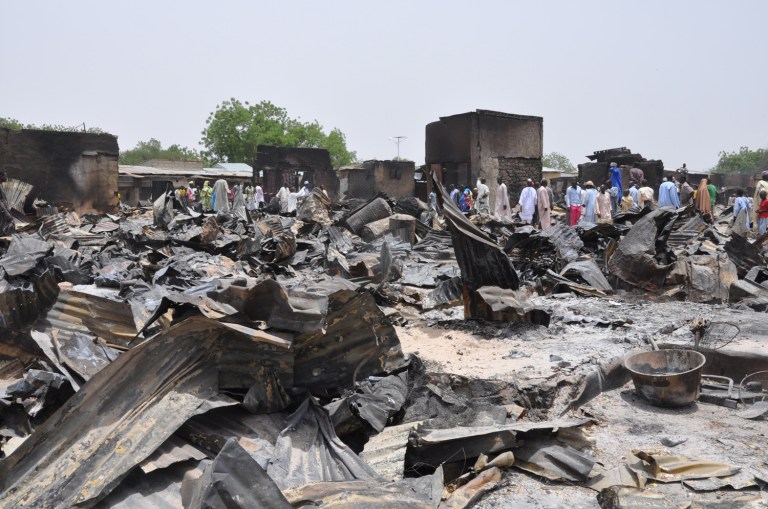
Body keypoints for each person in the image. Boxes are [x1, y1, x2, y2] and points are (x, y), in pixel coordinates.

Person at [0, 170, 16, 236]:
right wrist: (6, 212)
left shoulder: (1, 185)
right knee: (8, 222)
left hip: (3, 209)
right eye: (5, 176)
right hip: (2, 210)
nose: (7, 177)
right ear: (1, 176)